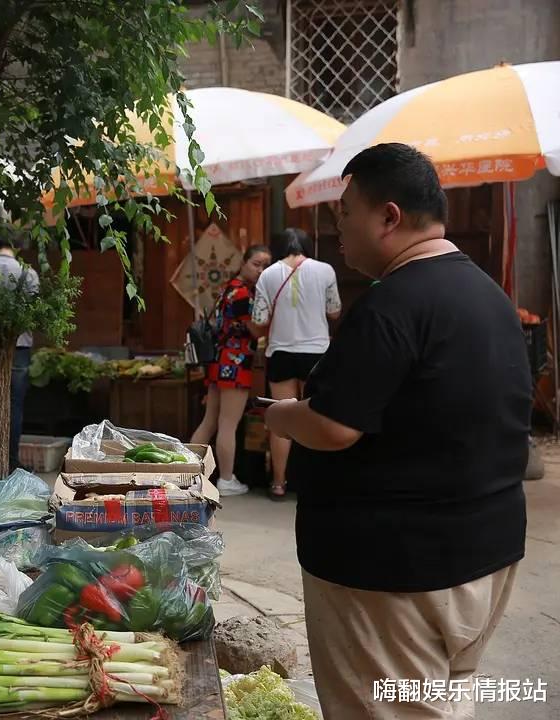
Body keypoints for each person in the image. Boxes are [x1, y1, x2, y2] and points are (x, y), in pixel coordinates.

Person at [265, 143, 530, 719]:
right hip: (482, 559)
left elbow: (334, 427)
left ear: (388, 216)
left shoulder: (394, 305)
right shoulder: (490, 297)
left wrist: (280, 415)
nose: (337, 229)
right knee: (441, 699)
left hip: (397, 572)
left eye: (345, 212)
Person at [250, 227, 341, 498]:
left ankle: (278, 483)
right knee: (316, 417)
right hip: (316, 352)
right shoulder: (325, 270)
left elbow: (258, 321)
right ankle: (317, 483)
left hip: (281, 353)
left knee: (281, 418)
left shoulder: (267, 274)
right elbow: (334, 311)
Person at [189, 245, 271, 497]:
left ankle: (188, 472)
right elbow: (256, 331)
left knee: (210, 420)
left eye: (266, 266)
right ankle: (226, 479)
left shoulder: (231, 286)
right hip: (234, 363)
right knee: (227, 424)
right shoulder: (243, 293)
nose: (261, 270)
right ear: (244, 262)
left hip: (219, 360)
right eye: (256, 264)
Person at [0, 225, 41, 471]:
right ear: (17, 246)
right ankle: (11, 460)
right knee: (14, 405)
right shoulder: (27, 273)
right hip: (19, 347)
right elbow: (33, 313)